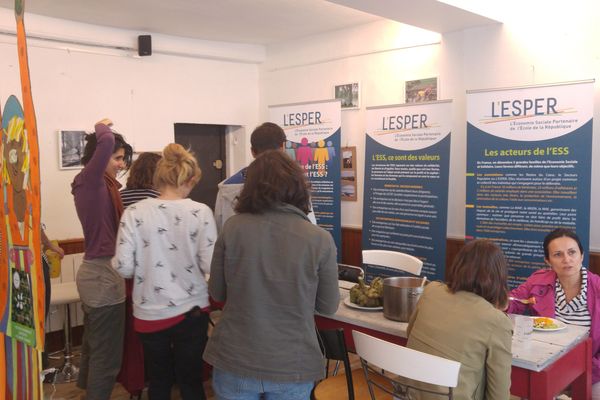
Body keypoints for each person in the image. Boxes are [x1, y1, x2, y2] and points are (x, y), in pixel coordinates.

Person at [203, 150, 339, 400]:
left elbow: (217, 293)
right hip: (293, 361)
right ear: (298, 187)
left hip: (235, 357)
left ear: (250, 187)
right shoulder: (320, 239)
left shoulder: (232, 228)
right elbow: (328, 306)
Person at [115, 143, 217, 400]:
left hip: (149, 312)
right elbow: (210, 265)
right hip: (192, 310)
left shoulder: (134, 212)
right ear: (190, 178)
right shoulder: (200, 212)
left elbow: (125, 267)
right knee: (191, 382)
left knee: (158, 382)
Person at [71, 118, 132, 400]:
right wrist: (101, 125)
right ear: (101, 156)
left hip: (97, 273)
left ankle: (86, 394)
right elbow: (105, 140)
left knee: (94, 346)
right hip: (102, 275)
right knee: (106, 358)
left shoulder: (93, 184)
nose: (120, 164)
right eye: (117, 158)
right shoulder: (91, 180)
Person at [407, 239, 512, 399]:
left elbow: (409, 333)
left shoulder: (431, 290)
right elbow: (499, 395)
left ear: (458, 265)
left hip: (409, 393)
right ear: (499, 277)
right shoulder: (497, 321)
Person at [507, 228, 600, 398]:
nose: (567, 260)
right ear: (548, 261)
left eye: (572, 252)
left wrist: (580, 371)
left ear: (582, 255)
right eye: (558, 254)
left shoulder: (598, 288)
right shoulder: (538, 280)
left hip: (592, 367)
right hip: (544, 362)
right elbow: (515, 301)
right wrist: (501, 303)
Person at [117, 151, 161, 396]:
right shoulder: (159, 199)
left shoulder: (119, 197)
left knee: (132, 333)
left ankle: (134, 380)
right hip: (154, 273)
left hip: (126, 274)